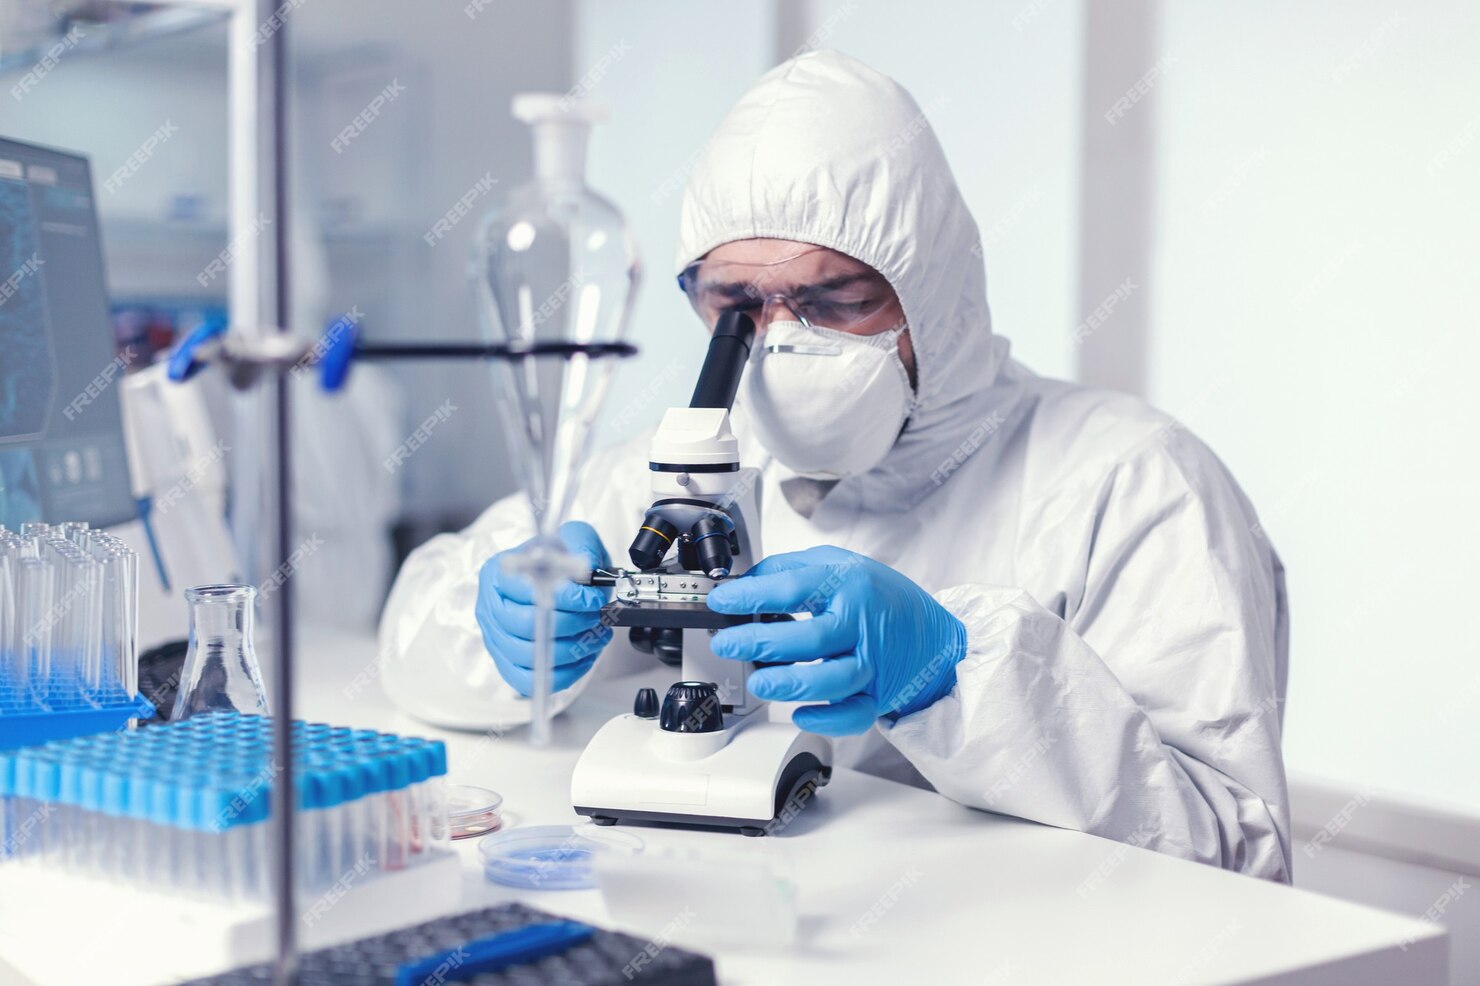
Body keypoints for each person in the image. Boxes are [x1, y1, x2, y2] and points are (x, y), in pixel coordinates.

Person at [379, 50, 1291, 882]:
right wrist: (510, 636)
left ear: (929, 291)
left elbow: (1233, 858)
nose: (779, 343)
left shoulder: (1133, 484)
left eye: (834, 300)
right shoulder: (683, 480)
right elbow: (413, 637)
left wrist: (958, 673)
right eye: (738, 304)